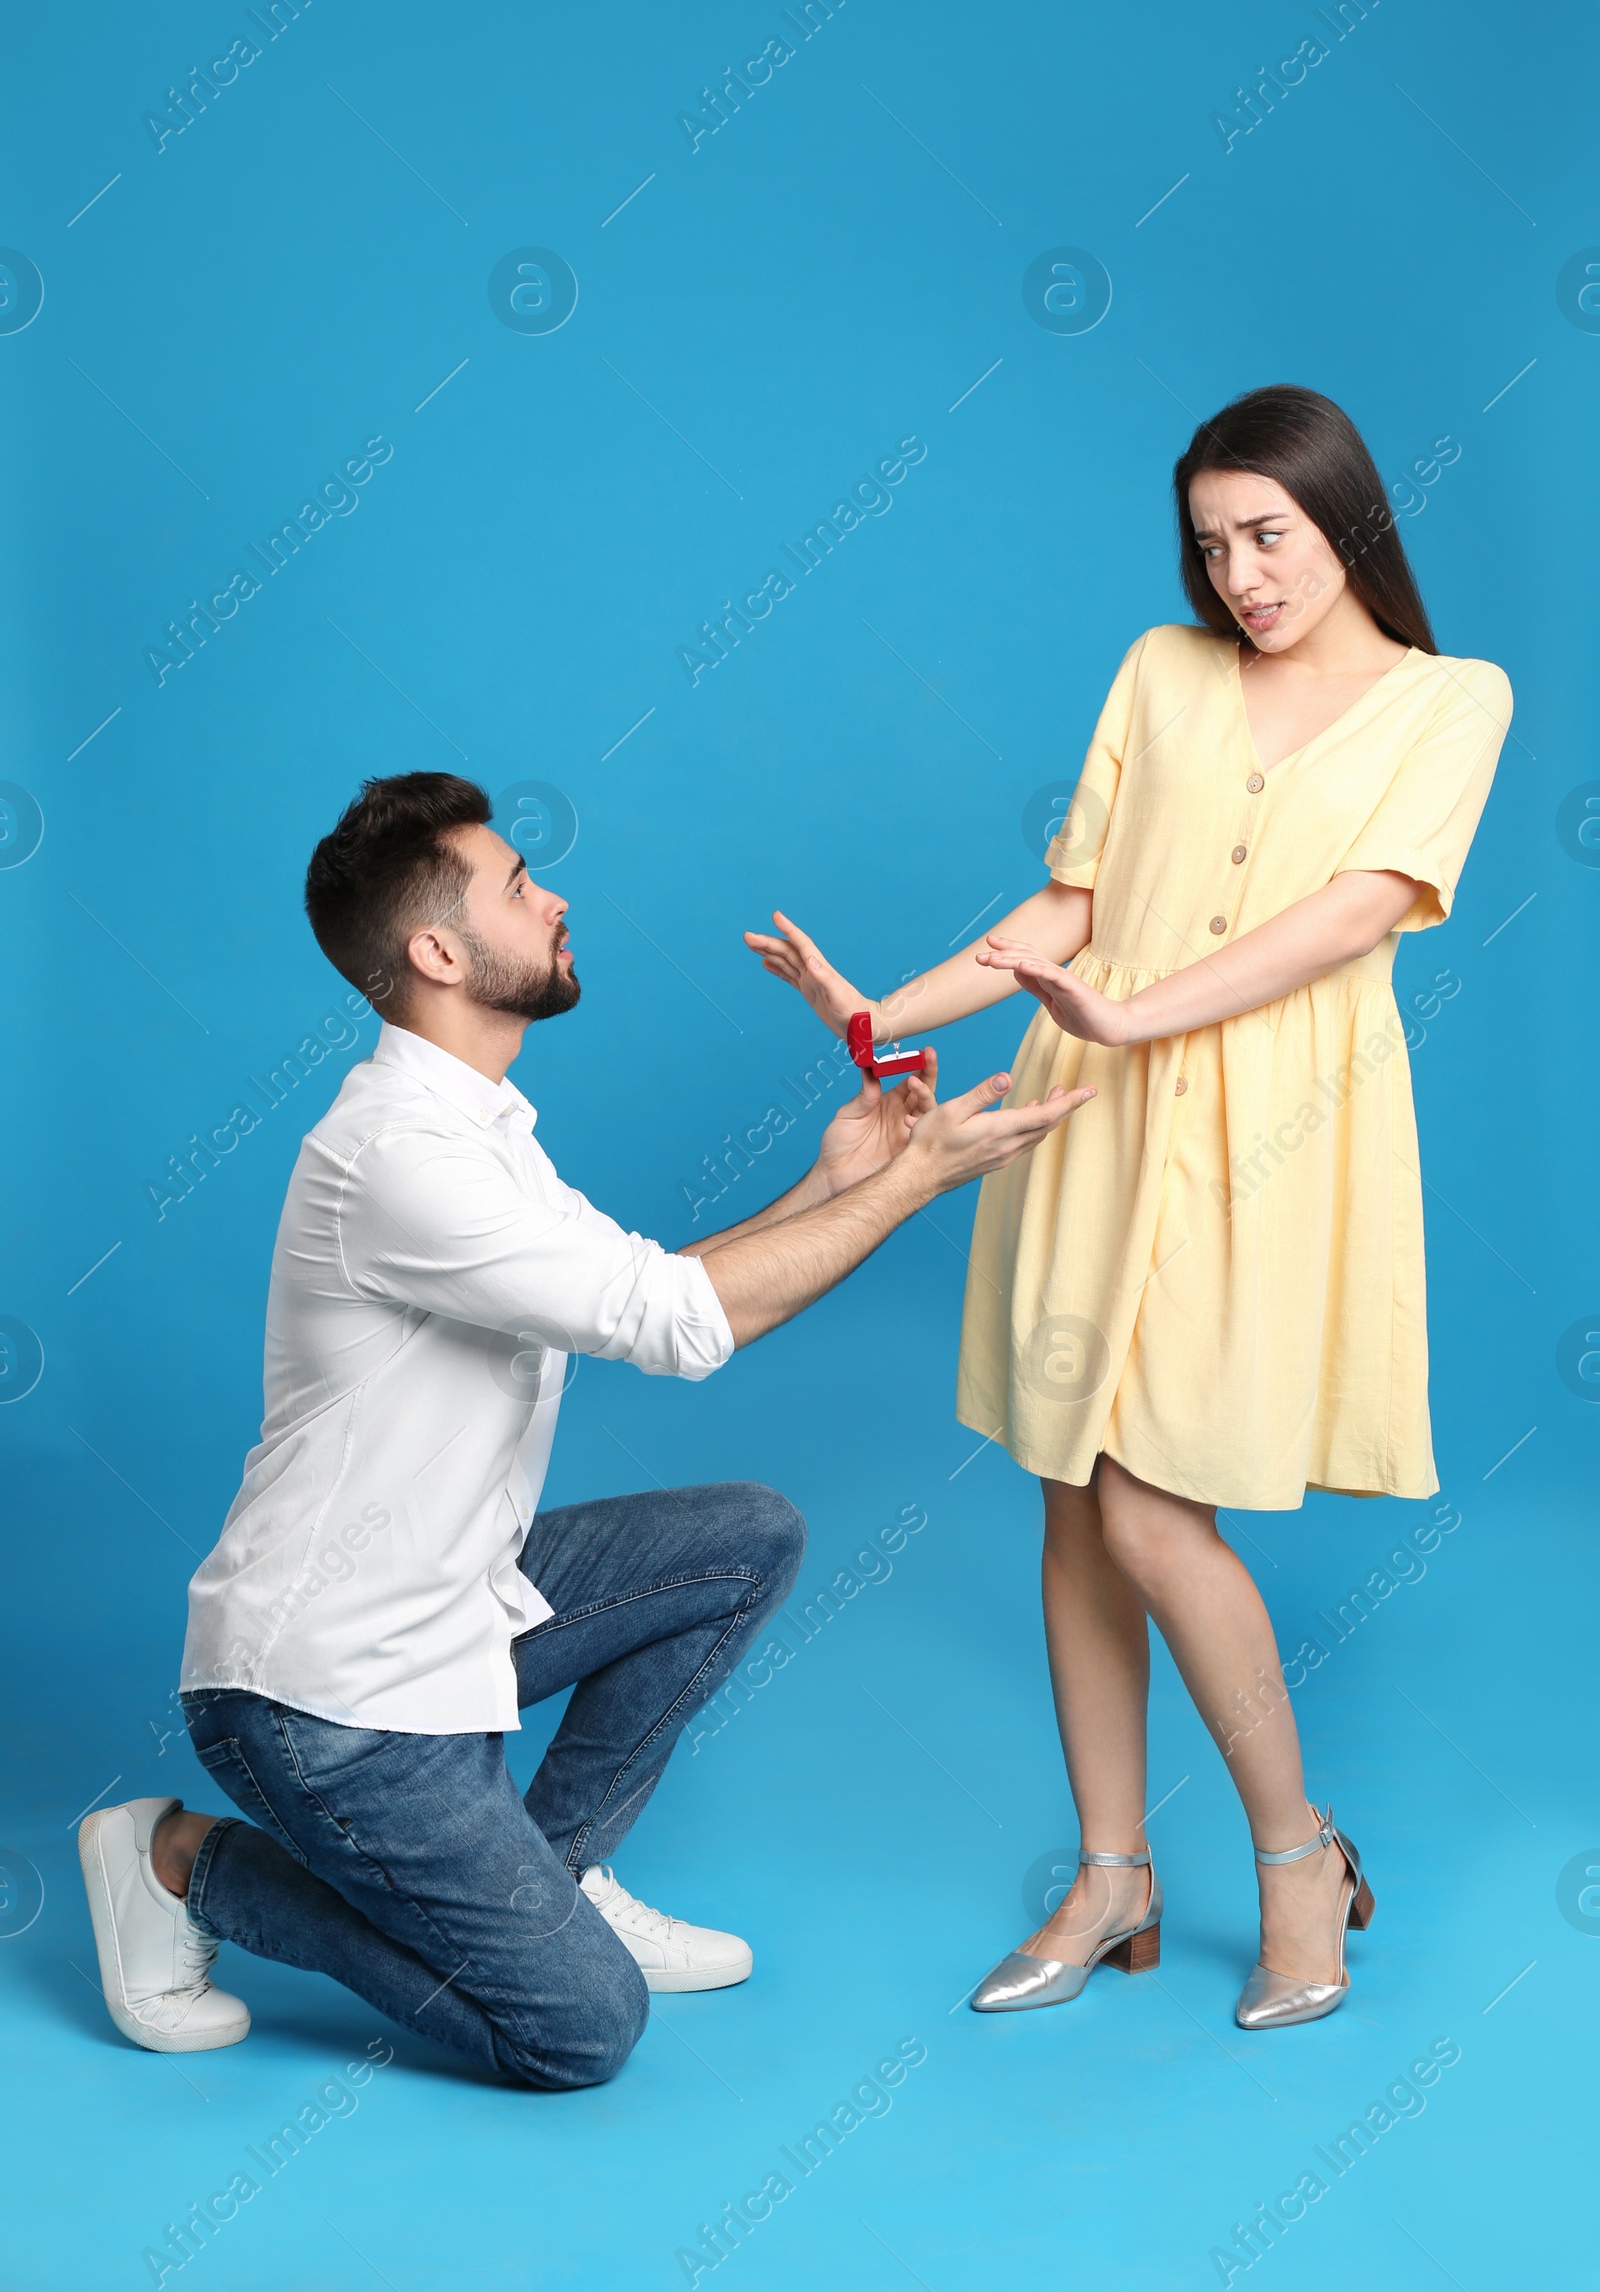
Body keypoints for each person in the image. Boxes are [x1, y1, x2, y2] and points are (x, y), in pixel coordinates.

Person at [78, 773, 1090, 2088]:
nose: (552, 895)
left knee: (743, 1539)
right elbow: (674, 1321)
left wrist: (831, 1185)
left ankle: (548, 1874)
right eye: (516, 884)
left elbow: (645, 1288)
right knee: (578, 2031)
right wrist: (904, 1189)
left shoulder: (481, 1127)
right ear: (437, 952)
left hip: (446, 1612)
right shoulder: (400, 1156)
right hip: (328, 1700)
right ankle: (178, 1864)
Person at [745, 384, 1511, 2030]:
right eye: (1213, 542)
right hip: (1090, 1106)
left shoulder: (1454, 700)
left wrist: (1138, 1015)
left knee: (1165, 1504)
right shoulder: (1165, 672)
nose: (1239, 574)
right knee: (1074, 1493)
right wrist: (888, 1009)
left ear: (1348, 521)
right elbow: (1072, 908)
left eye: (1270, 534)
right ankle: (1113, 1882)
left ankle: (1298, 1861)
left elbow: (1357, 912)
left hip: (1271, 1126)